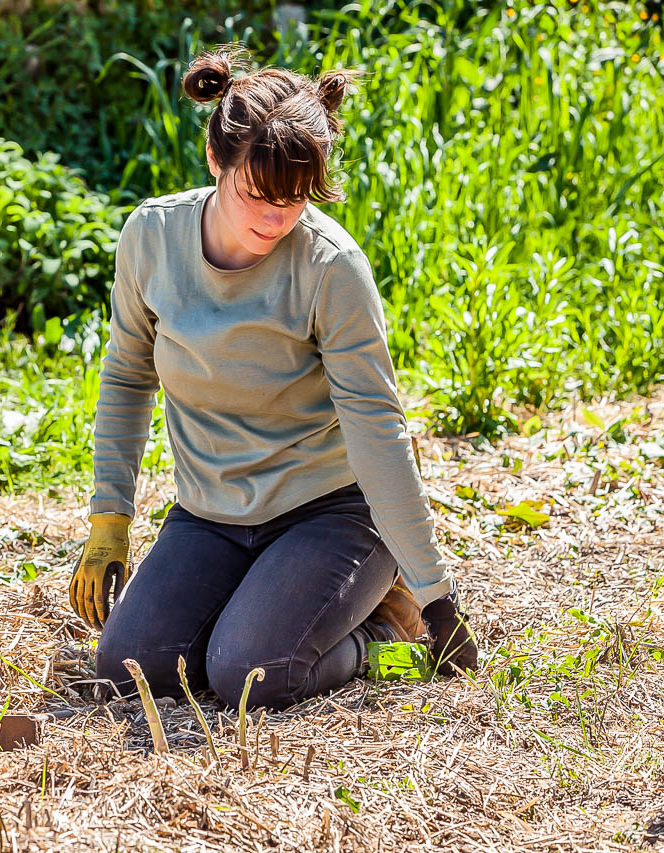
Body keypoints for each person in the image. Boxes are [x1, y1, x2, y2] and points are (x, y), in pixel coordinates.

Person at [68, 48, 478, 712]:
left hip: (334, 513)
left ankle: (380, 624)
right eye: (256, 194)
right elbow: (124, 377)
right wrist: (110, 518)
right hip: (212, 514)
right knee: (130, 667)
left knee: (251, 675)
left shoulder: (330, 267)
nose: (273, 218)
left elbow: (379, 432)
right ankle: (266, 605)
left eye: (293, 201)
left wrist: (437, 595)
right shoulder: (152, 237)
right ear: (216, 162)